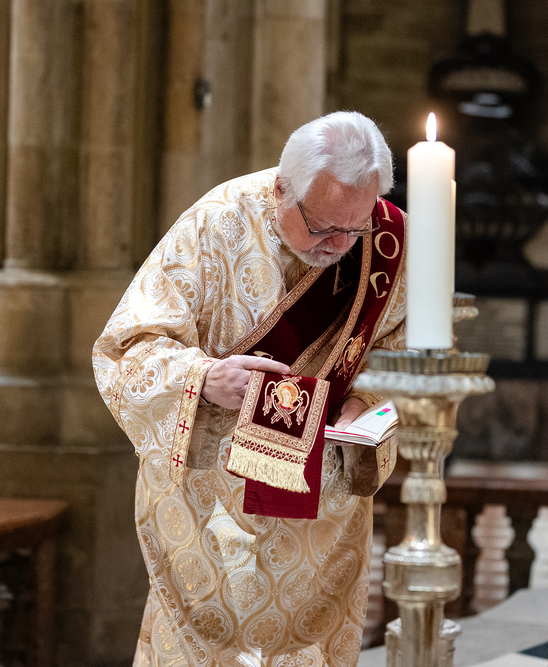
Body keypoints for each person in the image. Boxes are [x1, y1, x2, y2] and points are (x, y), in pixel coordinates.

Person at [93, 111, 407, 666]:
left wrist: (367, 402)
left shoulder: (386, 243)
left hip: (321, 520)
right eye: (322, 227)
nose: (339, 244)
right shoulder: (215, 224)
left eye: (354, 229)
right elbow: (127, 348)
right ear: (283, 188)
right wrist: (203, 378)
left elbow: (401, 353)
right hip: (212, 511)